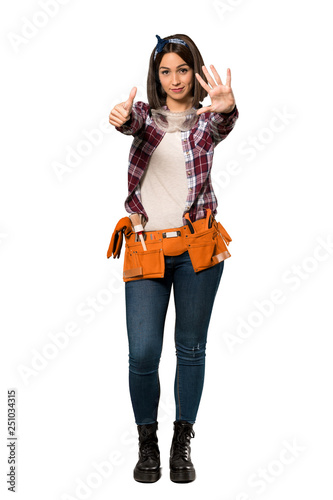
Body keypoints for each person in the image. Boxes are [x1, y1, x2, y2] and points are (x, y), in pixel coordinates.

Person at [108, 33, 239, 483]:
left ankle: (182, 441)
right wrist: (121, 116)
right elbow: (131, 126)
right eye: (166, 71)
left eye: (183, 69)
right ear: (156, 76)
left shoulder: (206, 121)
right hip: (145, 247)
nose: (175, 79)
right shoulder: (145, 116)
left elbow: (224, 122)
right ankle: (148, 443)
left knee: (191, 348)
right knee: (142, 353)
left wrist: (227, 105)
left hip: (198, 246)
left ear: (194, 71)